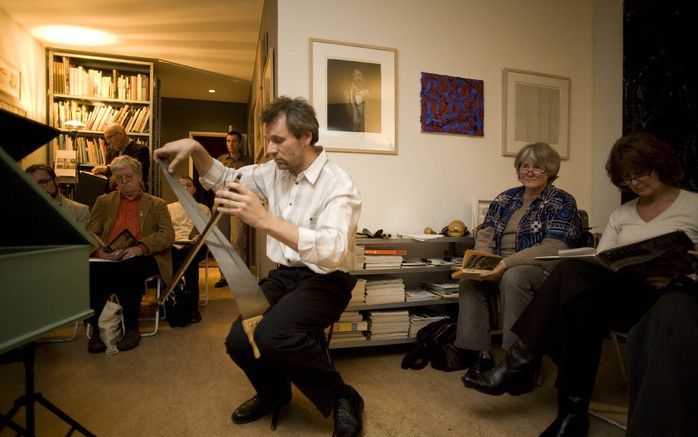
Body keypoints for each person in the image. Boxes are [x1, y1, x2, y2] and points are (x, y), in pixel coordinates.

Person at [462, 132, 698, 437]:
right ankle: (571, 414)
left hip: (676, 292)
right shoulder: (621, 214)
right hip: (628, 293)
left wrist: (681, 273)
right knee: (576, 286)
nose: (634, 181)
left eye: (640, 172)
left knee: (561, 292)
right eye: (626, 177)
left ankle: (518, 364)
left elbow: (550, 246)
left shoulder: (692, 205)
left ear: (662, 165)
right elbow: (602, 259)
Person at [155, 96, 364, 436]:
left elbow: (333, 250)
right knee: (239, 339)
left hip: (327, 280)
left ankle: (344, 397)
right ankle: (275, 393)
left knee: (273, 334)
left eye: (278, 140)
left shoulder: (339, 184)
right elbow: (226, 178)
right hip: (284, 276)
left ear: (306, 136)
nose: (269, 149)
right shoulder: (272, 172)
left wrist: (265, 220)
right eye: (268, 140)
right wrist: (195, 149)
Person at [453, 142, 581, 377]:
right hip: (499, 264)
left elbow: (553, 247)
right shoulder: (505, 198)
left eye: (538, 167)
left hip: (540, 268)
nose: (529, 172)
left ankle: (518, 361)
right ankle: (480, 354)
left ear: (550, 171)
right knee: (469, 282)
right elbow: (486, 234)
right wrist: (479, 262)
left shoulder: (562, 202)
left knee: (514, 278)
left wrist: (503, 265)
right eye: (525, 166)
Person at [87, 155, 174, 353]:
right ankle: (96, 329)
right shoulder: (103, 202)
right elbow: (90, 233)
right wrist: (101, 252)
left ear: (139, 176)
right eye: (119, 178)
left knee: (129, 267)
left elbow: (167, 235)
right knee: (95, 270)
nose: (124, 182)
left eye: (128, 177)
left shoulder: (156, 204)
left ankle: (131, 328)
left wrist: (140, 248)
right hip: (109, 255)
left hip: (144, 256)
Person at [168, 175, 211, 323]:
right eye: (181, 185)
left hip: (195, 246)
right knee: (169, 258)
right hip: (174, 245)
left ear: (194, 189)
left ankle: (192, 306)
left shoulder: (203, 209)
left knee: (190, 259)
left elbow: (209, 232)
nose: (185, 188)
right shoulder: (168, 208)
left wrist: (201, 236)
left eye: (188, 185)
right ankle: (174, 301)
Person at [214, 130, 253, 288]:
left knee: (236, 240)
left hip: (238, 203)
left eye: (234, 141)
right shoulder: (220, 160)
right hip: (221, 203)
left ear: (240, 143)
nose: (231, 144)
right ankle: (224, 276)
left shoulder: (248, 161)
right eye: (228, 141)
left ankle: (239, 276)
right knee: (222, 241)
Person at [25, 164, 90, 228]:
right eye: (32, 185)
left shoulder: (80, 211)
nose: (38, 188)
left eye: (43, 182)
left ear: (56, 181)